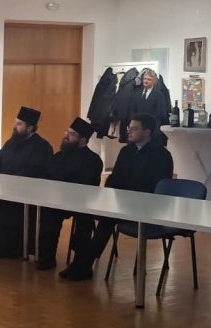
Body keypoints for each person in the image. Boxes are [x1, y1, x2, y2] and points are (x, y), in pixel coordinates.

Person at [61, 113, 174, 281]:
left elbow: (158, 186)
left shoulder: (161, 155)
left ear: (147, 132)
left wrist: (124, 195)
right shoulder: (126, 151)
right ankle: (81, 260)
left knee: (107, 220)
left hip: (146, 206)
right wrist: (108, 195)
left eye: (134, 129)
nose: (129, 131)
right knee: (84, 213)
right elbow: (115, 178)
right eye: (129, 128)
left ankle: (83, 263)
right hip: (121, 202)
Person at [0, 106, 54, 259]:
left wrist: (12, 182)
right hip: (4, 188)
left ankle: (14, 248)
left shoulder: (42, 146)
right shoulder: (11, 142)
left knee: (13, 212)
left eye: (19, 124)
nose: (15, 126)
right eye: (16, 122)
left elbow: (37, 171)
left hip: (26, 192)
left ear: (30, 127)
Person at [36, 117, 103, 271]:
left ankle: (80, 264)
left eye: (71, 134)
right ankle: (47, 257)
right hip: (57, 200)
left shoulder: (93, 160)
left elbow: (88, 186)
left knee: (85, 220)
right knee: (47, 213)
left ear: (83, 140)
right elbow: (48, 176)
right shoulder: (59, 156)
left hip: (81, 202)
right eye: (67, 132)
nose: (66, 135)